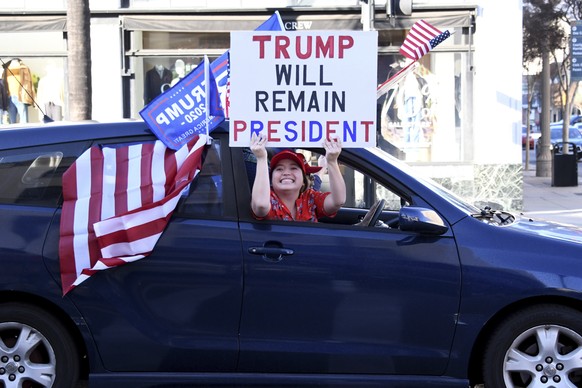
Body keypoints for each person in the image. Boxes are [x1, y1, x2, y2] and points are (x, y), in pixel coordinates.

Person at [250, 133, 346, 222]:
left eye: (293, 168)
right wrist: (261, 158)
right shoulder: (267, 198)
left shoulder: (311, 199)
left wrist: (332, 161)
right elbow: (260, 205)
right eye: (279, 169)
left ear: (304, 181)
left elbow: (338, 201)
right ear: (271, 179)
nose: (286, 173)